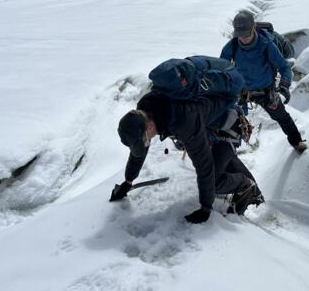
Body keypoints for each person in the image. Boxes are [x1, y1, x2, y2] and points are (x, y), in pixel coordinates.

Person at [110, 90, 264, 223]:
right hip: (207, 127)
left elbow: (204, 167)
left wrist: (205, 207)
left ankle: (246, 186)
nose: (147, 141)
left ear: (149, 126)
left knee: (214, 180)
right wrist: (128, 181)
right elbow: (140, 148)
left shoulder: (183, 121)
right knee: (218, 160)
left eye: (145, 138)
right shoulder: (146, 113)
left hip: (227, 127)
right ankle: (250, 186)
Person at [221, 10, 307, 153]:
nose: (243, 39)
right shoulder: (233, 45)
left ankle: (297, 141)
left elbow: (284, 67)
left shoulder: (266, 44)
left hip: (265, 90)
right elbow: (222, 68)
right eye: (240, 35)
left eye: (246, 34)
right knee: (230, 120)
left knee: (282, 117)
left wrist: (284, 85)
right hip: (242, 91)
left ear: (253, 27)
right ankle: (229, 153)